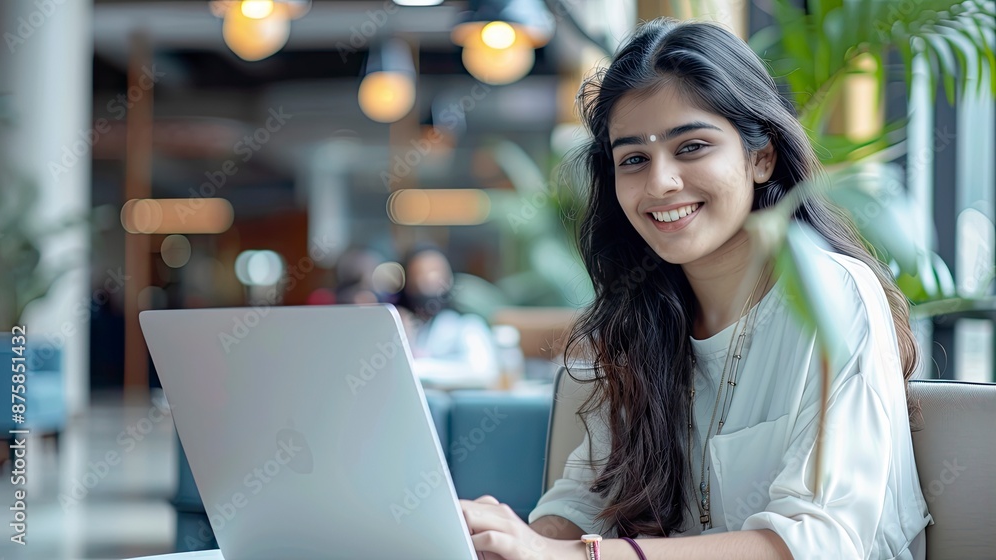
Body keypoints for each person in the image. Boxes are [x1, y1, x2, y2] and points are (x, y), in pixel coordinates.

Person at [459, 18, 931, 560]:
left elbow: (818, 542)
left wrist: (570, 557)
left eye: (692, 147)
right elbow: (591, 496)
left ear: (762, 156)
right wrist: (512, 542)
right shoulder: (641, 320)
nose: (660, 182)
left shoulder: (836, 296)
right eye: (633, 159)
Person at [395, 246, 500, 389]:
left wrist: (422, 368)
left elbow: (483, 373)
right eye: (418, 275)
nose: (427, 282)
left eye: (435, 273)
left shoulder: (467, 325)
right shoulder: (412, 327)